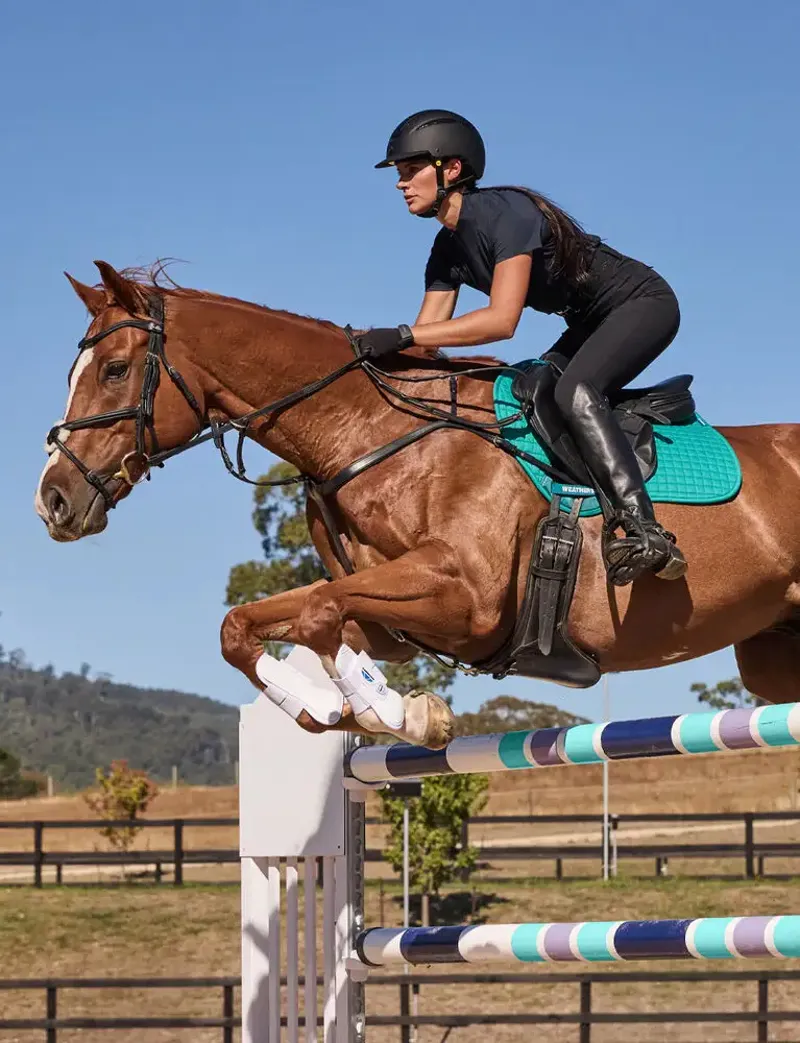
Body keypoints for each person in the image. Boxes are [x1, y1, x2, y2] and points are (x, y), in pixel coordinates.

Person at [360, 108, 687, 588]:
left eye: (411, 171)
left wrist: (404, 335)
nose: (400, 183)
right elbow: (425, 343)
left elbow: (501, 320)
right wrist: (361, 354)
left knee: (575, 391)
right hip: (590, 321)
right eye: (400, 175)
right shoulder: (445, 250)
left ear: (451, 170)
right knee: (528, 387)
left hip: (643, 303)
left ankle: (644, 529)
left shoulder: (505, 212)